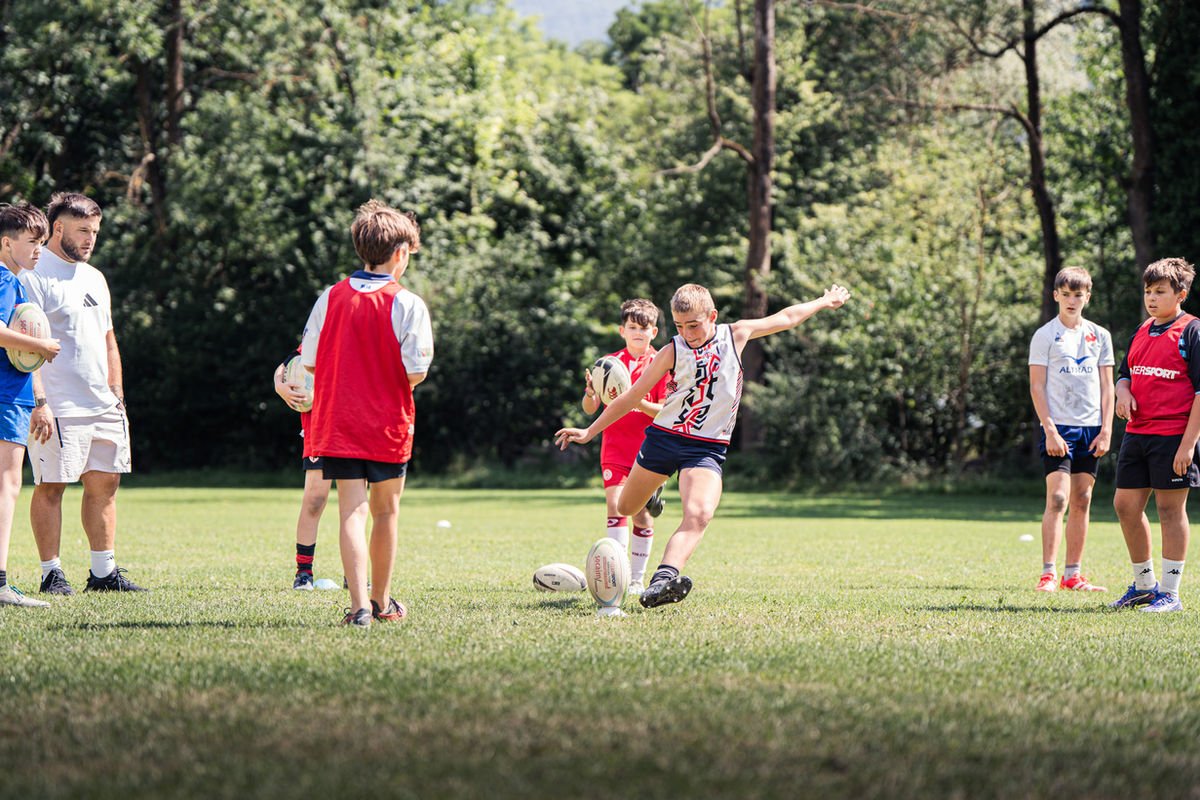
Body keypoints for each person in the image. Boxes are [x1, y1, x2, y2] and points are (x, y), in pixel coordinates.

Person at [556, 282, 850, 608]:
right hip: (664, 439)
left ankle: (662, 581)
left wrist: (824, 302)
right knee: (625, 508)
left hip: (706, 448)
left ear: (712, 316)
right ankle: (651, 494)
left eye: (694, 325)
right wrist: (589, 431)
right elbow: (630, 398)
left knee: (700, 514)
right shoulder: (672, 350)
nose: (688, 333)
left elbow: (787, 317)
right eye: (680, 326)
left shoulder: (735, 334)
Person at [301, 200, 432, 627]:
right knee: (386, 513)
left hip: (337, 422)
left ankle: (358, 607)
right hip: (387, 425)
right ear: (401, 254)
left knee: (350, 511)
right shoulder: (407, 303)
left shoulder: (330, 296)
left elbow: (311, 362)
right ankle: (382, 603)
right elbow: (416, 371)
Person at [21, 193, 144, 594]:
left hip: (103, 404)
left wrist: (117, 394)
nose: (91, 239)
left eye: (94, 231)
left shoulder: (94, 276)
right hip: (57, 405)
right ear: (58, 229)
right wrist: (39, 402)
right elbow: (24, 346)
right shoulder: (34, 275)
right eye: (83, 231)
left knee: (105, 485)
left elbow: (108, 338)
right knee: (52, 486)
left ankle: (104, 574)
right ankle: (51, 573)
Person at [1110, 257, 1200, 613]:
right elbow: (1124, 372)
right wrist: (1122, 391)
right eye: (1148, 291)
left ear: (1181, 293)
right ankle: (1145, 586)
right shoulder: (1142, 329)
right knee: (1125, 505)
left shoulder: (1193, 331)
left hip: (1173, 435)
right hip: (1137, 434)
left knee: (1169, 508)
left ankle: (1171, 593)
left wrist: (1189, 444)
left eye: (1160, 291)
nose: (1151, 298)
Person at [1027, 267, 1113, 592]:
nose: (1072, 300)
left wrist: (1106, 430)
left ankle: (1073, 575)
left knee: (1083, 498)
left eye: (1078, 295)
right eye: (1066, 294)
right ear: (1056, 296)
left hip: (1091, 428)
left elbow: (1108, 387)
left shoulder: (1100, 336)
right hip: (1058, 428)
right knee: (1059, 498)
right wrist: (1049, 429)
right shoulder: (1045, 336)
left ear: (1087, 297)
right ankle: (1048, 574)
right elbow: (1037, 387)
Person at [581, 299, 669, 597]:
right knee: (616, 506)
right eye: (632, 327)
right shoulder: (608, 364)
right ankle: (616, 575)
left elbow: (664, 410)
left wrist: (635, 399)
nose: (638, 333)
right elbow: (591, 407)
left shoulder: (660, 364)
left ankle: (636, 579)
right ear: (622, 330)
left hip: (648, 449)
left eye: (644, 328)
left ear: (654, 332)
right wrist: (594, 393)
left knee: (641, 516)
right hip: (615, 449)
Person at [0, 204, 61, 608]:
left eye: (42, 242)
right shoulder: (5, 278)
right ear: (6, 243)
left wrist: (39, 399)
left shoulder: (16, 280)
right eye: (32, 242)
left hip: (16, 395)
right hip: (5, 395)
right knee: (7, 484)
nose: (40, 250)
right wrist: (41, 345)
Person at [273, 348, 331, 590]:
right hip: (321, 424)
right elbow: (288, 362)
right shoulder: (324, 319)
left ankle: (356, 573)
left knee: (358, 503)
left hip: (355, 421)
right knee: (315, 499)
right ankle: (304, 572)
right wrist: (279, 384)